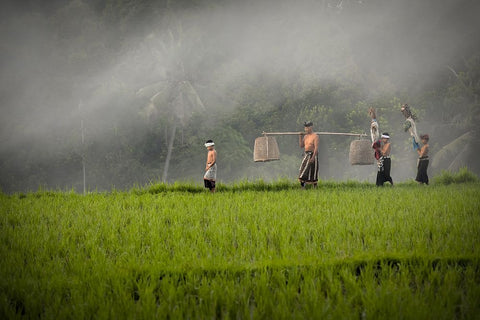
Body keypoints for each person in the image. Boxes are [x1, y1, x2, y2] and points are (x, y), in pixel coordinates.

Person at [298, 121, 320, 188]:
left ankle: (315, 187)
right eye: (305, 128)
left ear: (311, 127)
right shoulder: (305, 136)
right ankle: (302, 187)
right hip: (306, 155)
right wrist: (300, 137)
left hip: (313, 154)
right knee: (303, 170)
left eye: (307, 128)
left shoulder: (315, 136)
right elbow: (301, 146)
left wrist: (313, 157)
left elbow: (316, 148)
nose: (306, 129)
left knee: (313, 170)